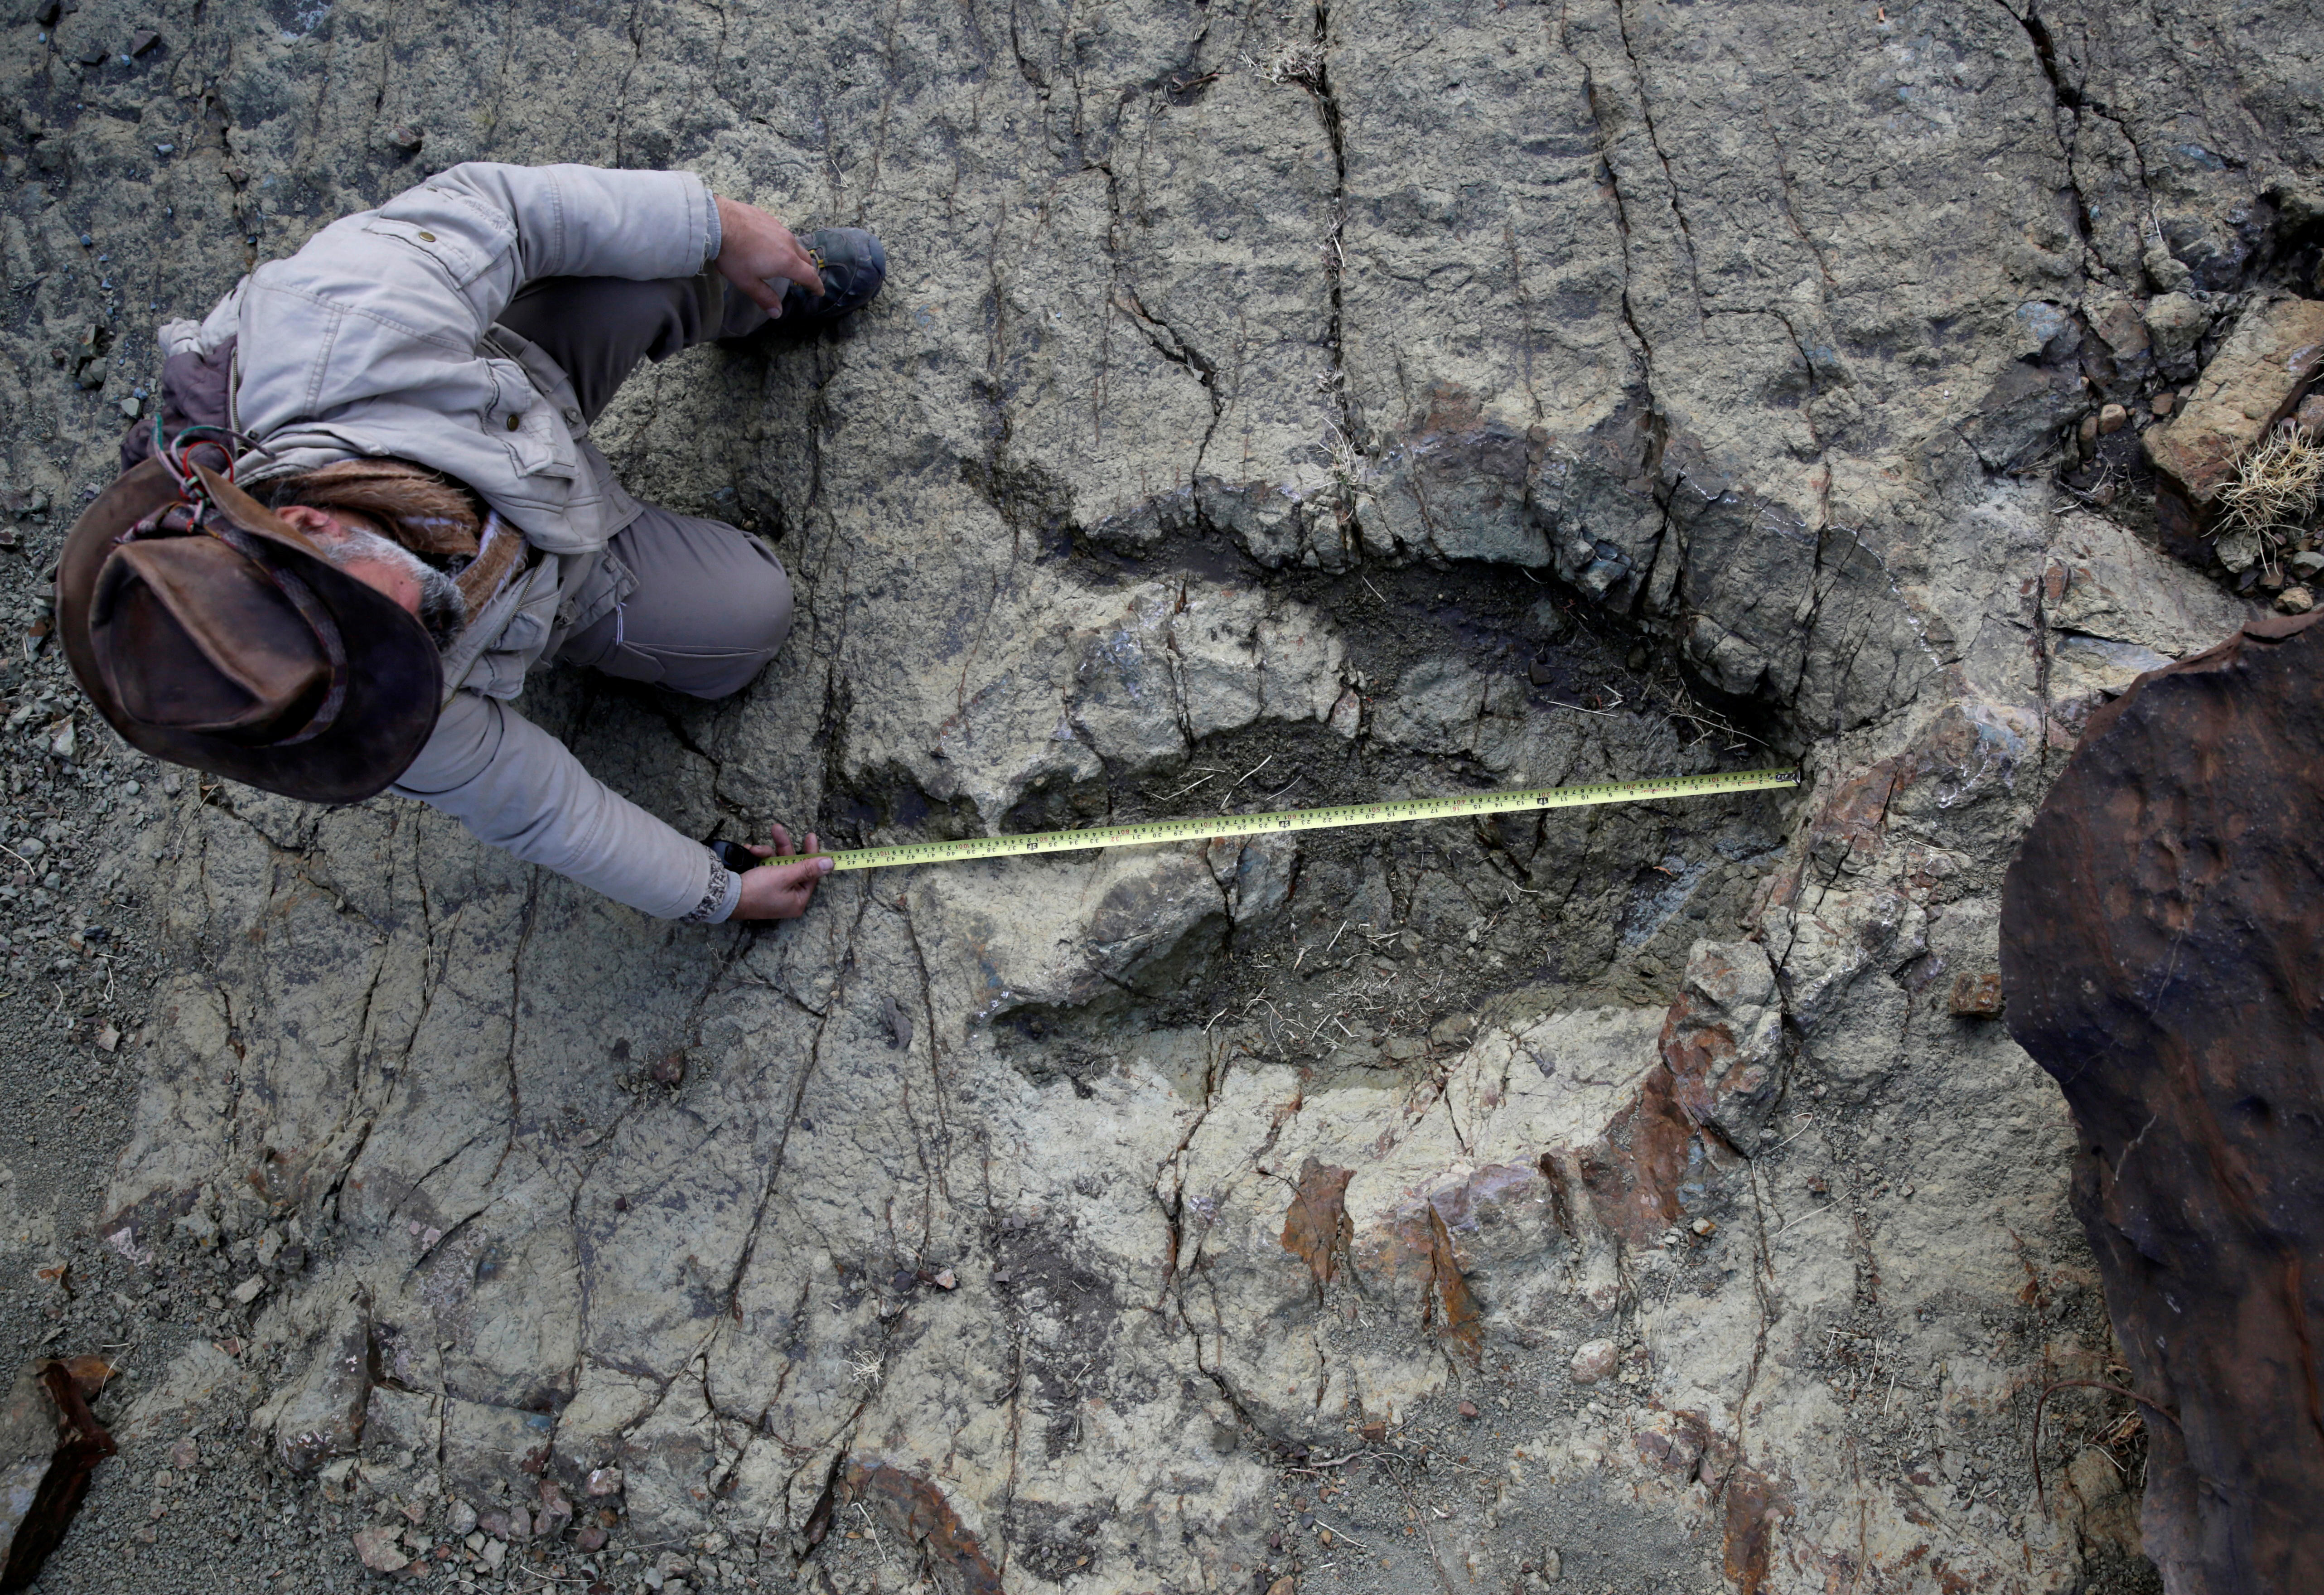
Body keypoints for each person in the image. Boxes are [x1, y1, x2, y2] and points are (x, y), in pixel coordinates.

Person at [53, 163, 886, 923]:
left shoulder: (335, 324)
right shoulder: (356, 704)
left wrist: (717, 226)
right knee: (745, 623)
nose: (410, 660)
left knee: (647, 256)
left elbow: (510, 212)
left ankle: (761, 288)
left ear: (310, 524)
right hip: (555, 574)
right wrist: (718, 892)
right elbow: (540, 809)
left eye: (384, 626)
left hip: (514, 385)